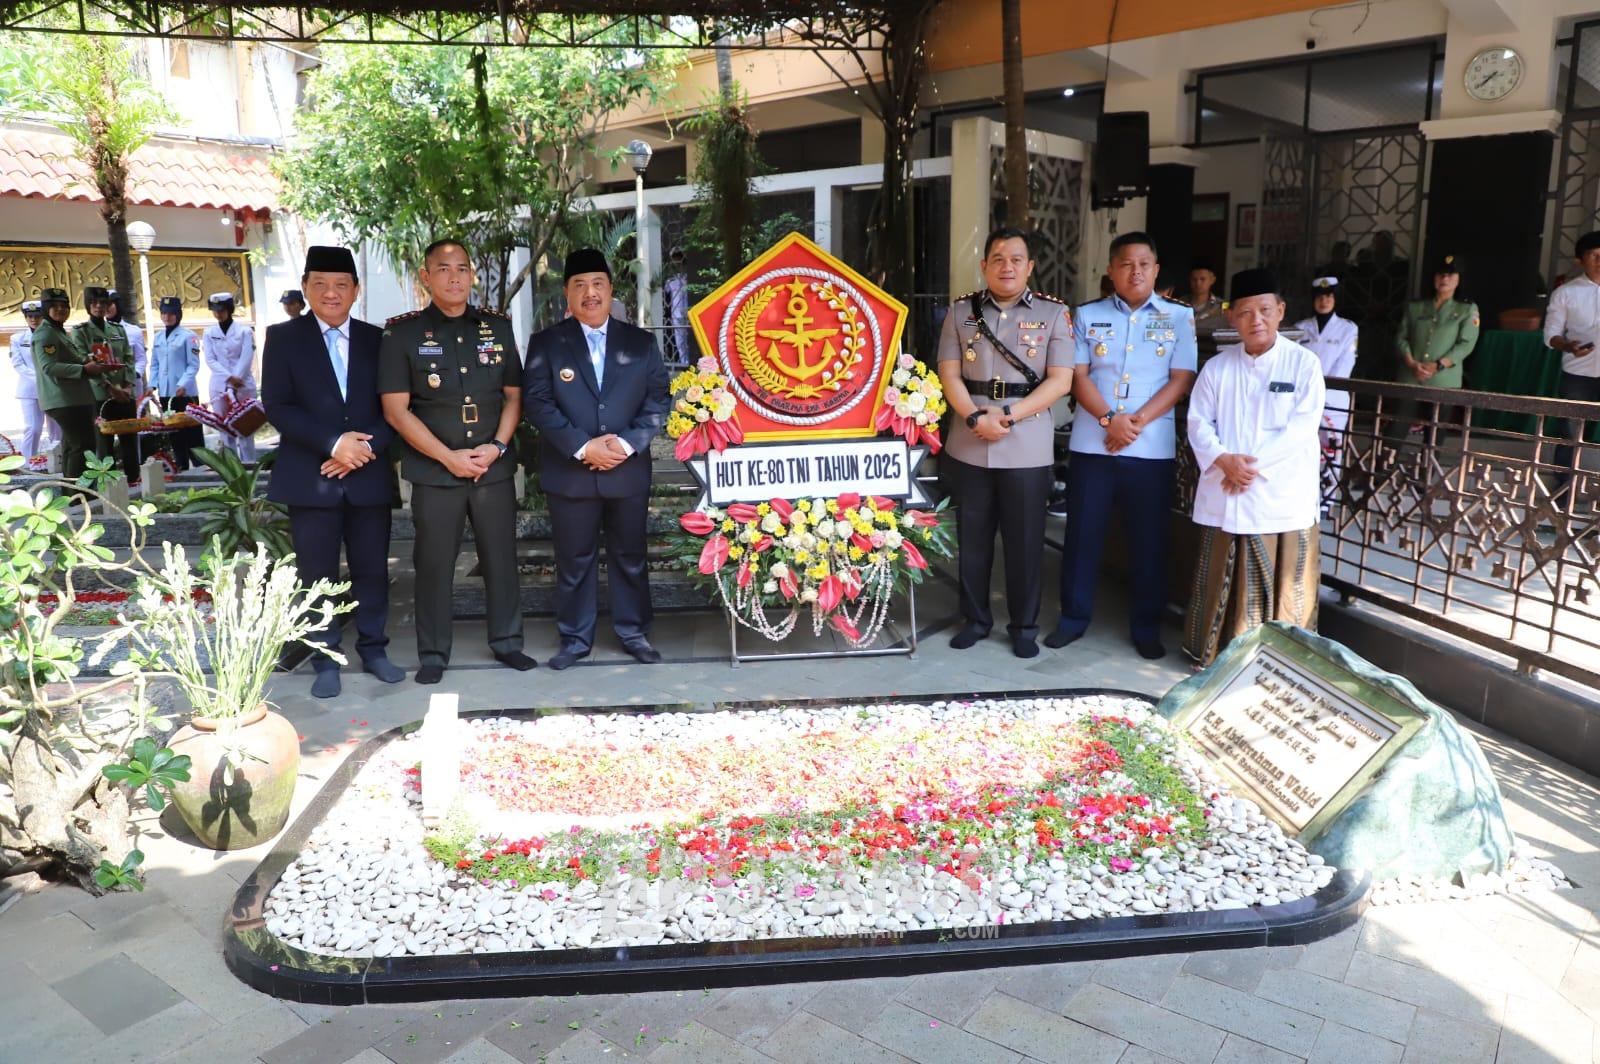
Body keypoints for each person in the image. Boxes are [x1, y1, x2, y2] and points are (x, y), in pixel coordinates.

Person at [379, 238, 532, 684]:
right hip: (434, 471)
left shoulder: (497, 327)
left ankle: (508, 643)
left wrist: (498, 447)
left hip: (491, 468)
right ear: (425, 277)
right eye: (443, 269)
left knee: (501, 558)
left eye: (462, 269)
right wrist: (448, 457)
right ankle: (433, 653)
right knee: (433, 563)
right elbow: (395, 410)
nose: (454, 277)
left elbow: (513, 397)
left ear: (472, 275)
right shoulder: (402, 332)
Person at [1046, 232, 1198, 660]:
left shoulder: (1178, 318)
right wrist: (1111, 420)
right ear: (1110, 271)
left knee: (1149, 540)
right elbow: (1078, 376)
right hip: (1094, 443)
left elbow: (1181, 379)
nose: (1135, 272)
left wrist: (1135, 423)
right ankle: (1072, 620)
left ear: (1156, 269)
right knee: (1082, 535)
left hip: (1149, 448)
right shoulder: (1087, 314)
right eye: (1126, 264)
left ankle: (1146, 627)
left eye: (1144, 264)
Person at [263, 246, 404, 698]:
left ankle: (374, 648)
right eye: (320, 284)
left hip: (367, 473)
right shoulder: (283, 339)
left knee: (371, 569)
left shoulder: (378, 339)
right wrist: (332, 443)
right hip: (312, 475)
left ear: (356, 291)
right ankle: (324, 656)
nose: (331, 293)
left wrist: (364, 448)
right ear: (305, 288)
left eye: (341, 284)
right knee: (316, 572)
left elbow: (398, 406)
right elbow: (278, 405)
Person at [524, 248, 670, 670]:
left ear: (611, 291)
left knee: (630, 555)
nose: (590, 293)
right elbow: (538, 402)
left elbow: (658, 398)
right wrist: (584, 446)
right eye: (580, 285)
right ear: (567, 295)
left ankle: (633, 631)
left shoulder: (640, 343)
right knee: (573, 558)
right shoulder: (547, 344)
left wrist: (625, 445)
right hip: (571, 473)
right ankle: (574, 638)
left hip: (627, 471)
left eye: (598, 284)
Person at [935, 226, 1075, 657]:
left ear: (1029, 267)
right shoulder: (961, 312)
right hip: (970, 439)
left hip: (1026, 441)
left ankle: (1024, 626)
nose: (1007, 266)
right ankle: (976, 619)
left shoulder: (1054, 314)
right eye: (998, 258)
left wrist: (1008, 415)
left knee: (1025, 542)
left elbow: (1061, 380)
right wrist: (975, 415)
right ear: (984, 266)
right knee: (973, 540)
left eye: (1016, 259)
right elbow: (949, 372)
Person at [1183, 268, 1325, 666]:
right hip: (1227, 488)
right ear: (1232, 317)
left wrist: (1247, 467)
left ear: (1280, 312)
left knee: (1284, 586)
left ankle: (1282, 662)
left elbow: (1302, 427)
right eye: (1245, 312)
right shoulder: (1217, 368)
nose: (1256, 320)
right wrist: (1223, 460)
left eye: (1265, 310)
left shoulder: (1304, 365)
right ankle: (1217, 656)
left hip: (1279, 493)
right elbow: (1198, 423)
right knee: (1220, 577)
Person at [1392, 253, 1479, 445]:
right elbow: (1401, 337)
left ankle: (1426, 472)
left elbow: (1466, 344)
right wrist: (1411, 362)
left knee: (1434, 437)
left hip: (1443, 380)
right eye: (1440, 274)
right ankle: (1384, 470)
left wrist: (1438, 365)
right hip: (1410, 377)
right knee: (1394, 431)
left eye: (1450, 275)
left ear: (1459, 279)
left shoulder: (1466, 309)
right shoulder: (1416, 307)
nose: (1444, 279)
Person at [1542, 230, 1600, 505]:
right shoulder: (1566, 292)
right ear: (1580, 260)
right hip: (1579, 373)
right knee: (1570, 432)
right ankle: (1564, 493)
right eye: (1594, 255)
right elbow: (1551, 333)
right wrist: (1569, 346)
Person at [1294, 276, 1358, 509]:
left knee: (1332, 449)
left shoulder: (1347, 329)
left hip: (1333, 398)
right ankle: (1306, 498)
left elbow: (1345, 365)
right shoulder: (1300, 328)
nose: (1324, 301)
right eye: (1320, 296)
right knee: (1305, 447)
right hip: (1304, 398)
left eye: (1329, 296)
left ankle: (1327, 499)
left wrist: (1321, 389)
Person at [32, 287, 102, 480]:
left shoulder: (58, 331)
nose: (60, 310)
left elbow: (72, 358)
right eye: (54, 306)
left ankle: (72, 494)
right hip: (64, 399)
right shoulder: (45, 333)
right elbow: (49, 366)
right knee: (83, 445)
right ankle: (79, 496)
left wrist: (90, 360)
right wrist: (84, 370)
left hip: (73, 398)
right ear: (45, 309)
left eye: (64, 306)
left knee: (73, 446)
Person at [72, 286, 139, 483]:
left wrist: (127, 386)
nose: (99, 307)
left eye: (103, 303)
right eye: (94, 303)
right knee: (104, 443)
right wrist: (110, 388)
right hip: (101, 395)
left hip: (125, 393)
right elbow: (84, 361)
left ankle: (133, 480)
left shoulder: (117, 330)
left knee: (129, 440)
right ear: (88, 306)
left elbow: (128, 357)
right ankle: (108, 484)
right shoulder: (81, 332)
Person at [146, 296, 205, 471]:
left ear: (178, 314)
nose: (167, 317)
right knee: (174, 432)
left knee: (192, 432)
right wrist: (152, 385)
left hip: (185, 393)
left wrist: (183, 384)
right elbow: (155, 363)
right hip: (166, 393)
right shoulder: (157, 337)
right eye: (164, 313)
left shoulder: (189, 336)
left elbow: (193, 365)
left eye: (171, 313)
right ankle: (181, 466)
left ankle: (201, 467)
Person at [202, 292, 258, 462]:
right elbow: (210, 359)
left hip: (243, 384)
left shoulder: (244, 331)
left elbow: (247, 356)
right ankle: (231, 467)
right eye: (215, 310)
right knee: (225, 429)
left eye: (222, 310)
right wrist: (228, 377)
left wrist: (236, 378)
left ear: (229, 309)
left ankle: (249, 464)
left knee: (245, 428)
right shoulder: (209, 332)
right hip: (219, 385)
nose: (218, 314)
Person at [10, 299, 55, 460]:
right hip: (30, 389)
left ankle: (56, 460)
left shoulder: (52, 335)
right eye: (30, 316)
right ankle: (28, 462)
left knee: (55, 428)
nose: (34, 320)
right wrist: (40, 378)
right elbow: (18, 364)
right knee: (33, 427)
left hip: (53, 388)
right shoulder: (18, 339)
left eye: (37, 316)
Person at [103, 289, 147, 401]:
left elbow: (141, 359)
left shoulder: (134, 331)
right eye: (104, 304)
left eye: (110, 304)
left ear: (117, 305)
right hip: (109, 387)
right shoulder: (98, 331)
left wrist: (134, 375)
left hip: (131, 387)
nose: (106, 308)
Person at [663, 248, 692, 366]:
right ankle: (684, 362)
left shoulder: (688, 279)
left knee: (690, 338)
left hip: (689, 312)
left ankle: (691, 362)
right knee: (680, 340)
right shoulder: (670, 281)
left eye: (678, 258)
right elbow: (666, 294)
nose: (677, 262)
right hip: (677, 314)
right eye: (674, 259)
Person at [1188, 260, 1226, 339]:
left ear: (1212, 280)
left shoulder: (1222, 307)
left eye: (1202, 279)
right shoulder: (1179, 304)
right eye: (1194, 279)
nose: (1198, 283)